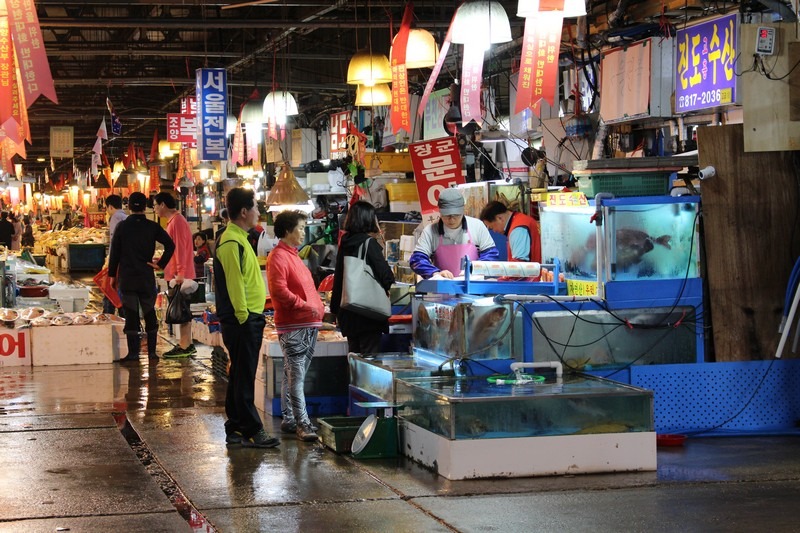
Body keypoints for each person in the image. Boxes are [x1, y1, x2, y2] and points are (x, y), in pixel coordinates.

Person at [215, 188, 278, 449]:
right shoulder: (231, 241)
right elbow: (234, 284)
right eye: (255, 207)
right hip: (242, 319)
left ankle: (235, 428)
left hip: (248, 317)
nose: (258, 213)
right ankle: (253, 429)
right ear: (244, 211)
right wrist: (244, 318)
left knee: (240, 374)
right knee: (244, 377)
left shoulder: (240, 237)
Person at [266, 210, 324, 442]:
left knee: (292, 372)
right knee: (297, 376)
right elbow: (279, 291)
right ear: (288, 231)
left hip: (307, 322)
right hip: (294, 324)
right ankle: (303, 424)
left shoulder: (293, 255)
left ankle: (289, 418)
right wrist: (303, 305)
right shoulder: (278, 256)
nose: (303, 232)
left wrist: (316, 307)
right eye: (300, 228)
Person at [108, 192, 175, 363]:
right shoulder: (152, 226)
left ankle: (133, 354)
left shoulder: (121, 227)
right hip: (146, 277)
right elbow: (170, 245)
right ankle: (152, 353)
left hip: (127, 277)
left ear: (128, 207)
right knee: (149, 311)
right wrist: (160, 264)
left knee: (131, 313)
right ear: (145, 207)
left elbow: (114, 253)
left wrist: (111, 275)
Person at [330, 201, 395, 354]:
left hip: (348, 312)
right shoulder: (368, 243)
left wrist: (335, 309)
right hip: (368, 313)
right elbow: (386, 276)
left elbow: (339, 277)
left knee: (354, 360)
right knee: (368, 363)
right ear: (369, 219)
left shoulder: (345, 243)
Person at [409, 188, 499, 279]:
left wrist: (473, 269)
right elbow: (417, 259)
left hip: (474, 288)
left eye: (456, 215)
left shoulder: (477, 226)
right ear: (439, 211)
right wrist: (435, 273)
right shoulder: (430, 231)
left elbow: (491, 255)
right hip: (442, 290)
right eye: (447, 215)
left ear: (463, 209)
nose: (451, 219)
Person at [154, 192, 197, 358]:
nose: (155, 209)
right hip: (176, 273)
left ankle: (186, 345)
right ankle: (185, 343)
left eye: (156, 205)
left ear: (163, 204)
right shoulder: (173, 221)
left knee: (181, 309)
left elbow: (178, 247)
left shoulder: (177, 222)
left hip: (180, 275)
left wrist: (180, 272)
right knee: (181, 308)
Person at [103, 194, 128, 315]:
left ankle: (109, 318)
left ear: (111, 207)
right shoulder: (126, 217)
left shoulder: (115, 218)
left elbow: (114, 242)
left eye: (107, 208)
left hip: (117, 262)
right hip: (126, 262)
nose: (107, 211)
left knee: (110, 291)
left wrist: (110, 262)